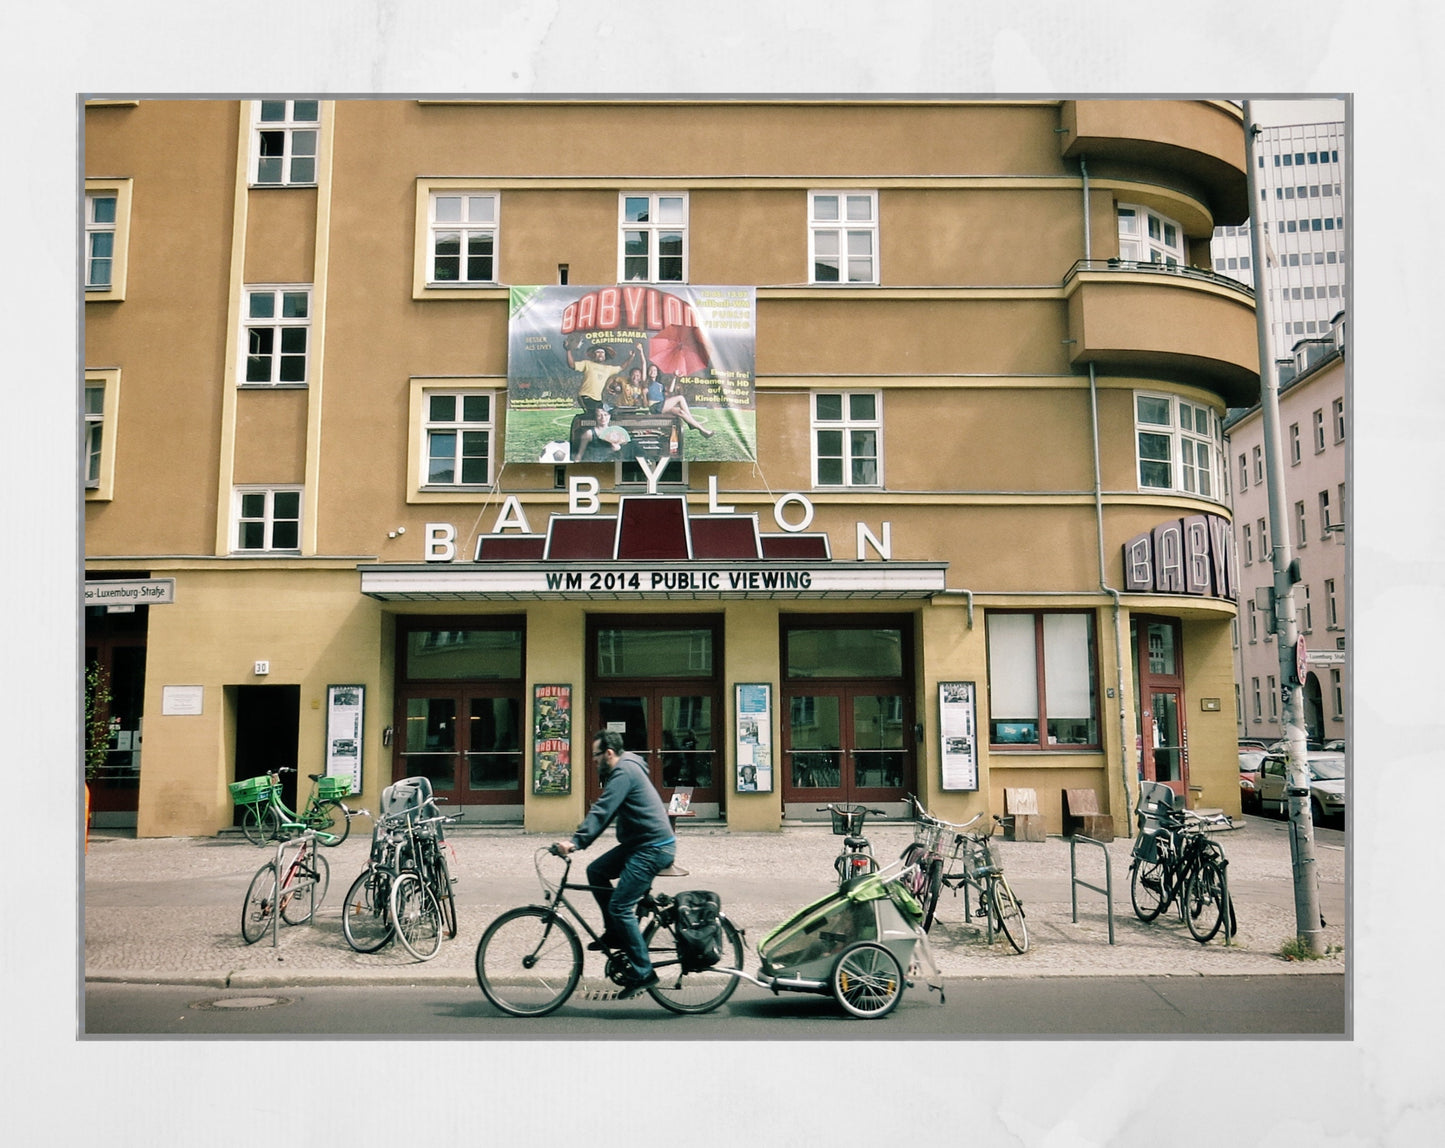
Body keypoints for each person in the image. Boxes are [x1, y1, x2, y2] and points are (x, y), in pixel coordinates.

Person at [553, 731, 677, 998]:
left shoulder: (623, 773)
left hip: (653, 848)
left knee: (620, 906)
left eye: (596, 755)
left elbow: (603, 810)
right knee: (595, 870)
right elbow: (607, 813)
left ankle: (644, 971)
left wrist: (576, 842)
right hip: (640, 844)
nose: (593, 760)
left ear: (609, 753)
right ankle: (615, 932)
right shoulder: (628, 767)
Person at [565, 336, 642, 418]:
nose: (600, 354)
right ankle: (580, 424)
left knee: (604, 417)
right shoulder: (587, 364)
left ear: (605, 356)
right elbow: (572, 365)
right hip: (585, 396)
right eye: (598, 352)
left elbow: (622, 367)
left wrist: (631, 357)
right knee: (595, 416)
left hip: (598, 400)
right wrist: (568, 350)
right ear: (594, 355)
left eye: (602, 352)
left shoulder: (608, 369)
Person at [643, 360, 715, 437]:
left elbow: (670, 390)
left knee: (681, 412)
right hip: (655, 407)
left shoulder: (660, 385)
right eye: (650, 370)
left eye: (654, 370)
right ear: (647, 372)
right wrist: (641, 352)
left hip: (662, 407)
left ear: (657, 373)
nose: (652, 371)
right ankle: (691, 421)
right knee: (680, 398)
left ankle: (703, 431)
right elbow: (643, 363)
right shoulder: (646, 383)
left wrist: (674, 376)